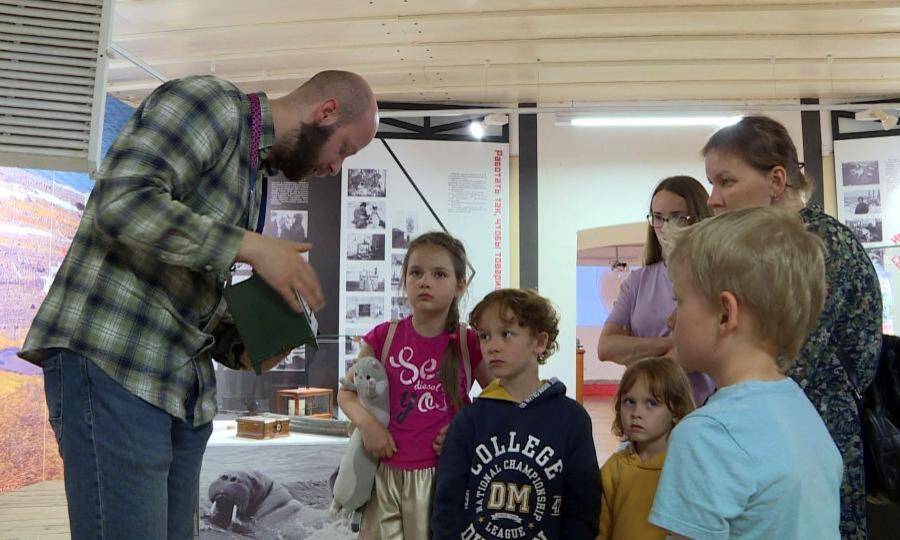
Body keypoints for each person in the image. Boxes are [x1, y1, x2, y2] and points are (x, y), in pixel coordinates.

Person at [18, 70, 379, 539]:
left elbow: (184, 285)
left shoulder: (252, 174)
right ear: (326, 112)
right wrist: (250, 246)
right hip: (117, 364)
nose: (335, 168)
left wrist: (241, 348)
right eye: (344, 149)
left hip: (179, 387)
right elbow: (121, 201)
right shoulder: (211, 103)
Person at [702, 115, 882, 538]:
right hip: (785, 431)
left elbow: (789, 360)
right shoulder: (776, 248)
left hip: (814, 433)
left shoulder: (818, 247)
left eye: (726, 182)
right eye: (711, 183)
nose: (712, 200)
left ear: (776, 180)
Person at [649, 206, 842, 538]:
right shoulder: (802, 410)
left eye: (679, 301)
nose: (670, 320)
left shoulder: (707, 435)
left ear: (725, 315)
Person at [337, 231, 493, 540]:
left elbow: (499, 401)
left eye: (439, 274)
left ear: (460, 285)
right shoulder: (383, 336)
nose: (425, 282)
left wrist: (466, 426)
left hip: (445, 477)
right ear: (404, 280)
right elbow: (346, 393)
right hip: (385, 477)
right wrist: (368, 425)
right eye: (416, 273)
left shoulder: (468, 342)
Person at [432, 288, 601, 539]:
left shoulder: (572, 419)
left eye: (506, 334)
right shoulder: (468, 420)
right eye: (485, 336)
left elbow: (582, 509)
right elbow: (446, 508)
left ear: (539, 342)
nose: (492, 346)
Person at [597, 175, 716, 406]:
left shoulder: (718, 278)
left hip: (699, 410)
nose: (666, 227)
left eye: (678, 217)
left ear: (700, 219)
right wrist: (669, 344)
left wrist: (638, 351)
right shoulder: (638, 281)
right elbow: (606, 347)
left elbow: (689, 356)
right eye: (658, 218)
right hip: (642, 413)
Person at [599, 356, 695, 540]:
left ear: (676, 411)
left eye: (651, 403)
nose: (636, 413)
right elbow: (600, 530)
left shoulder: (687, 469)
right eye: (629, 401)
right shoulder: (613, 468)